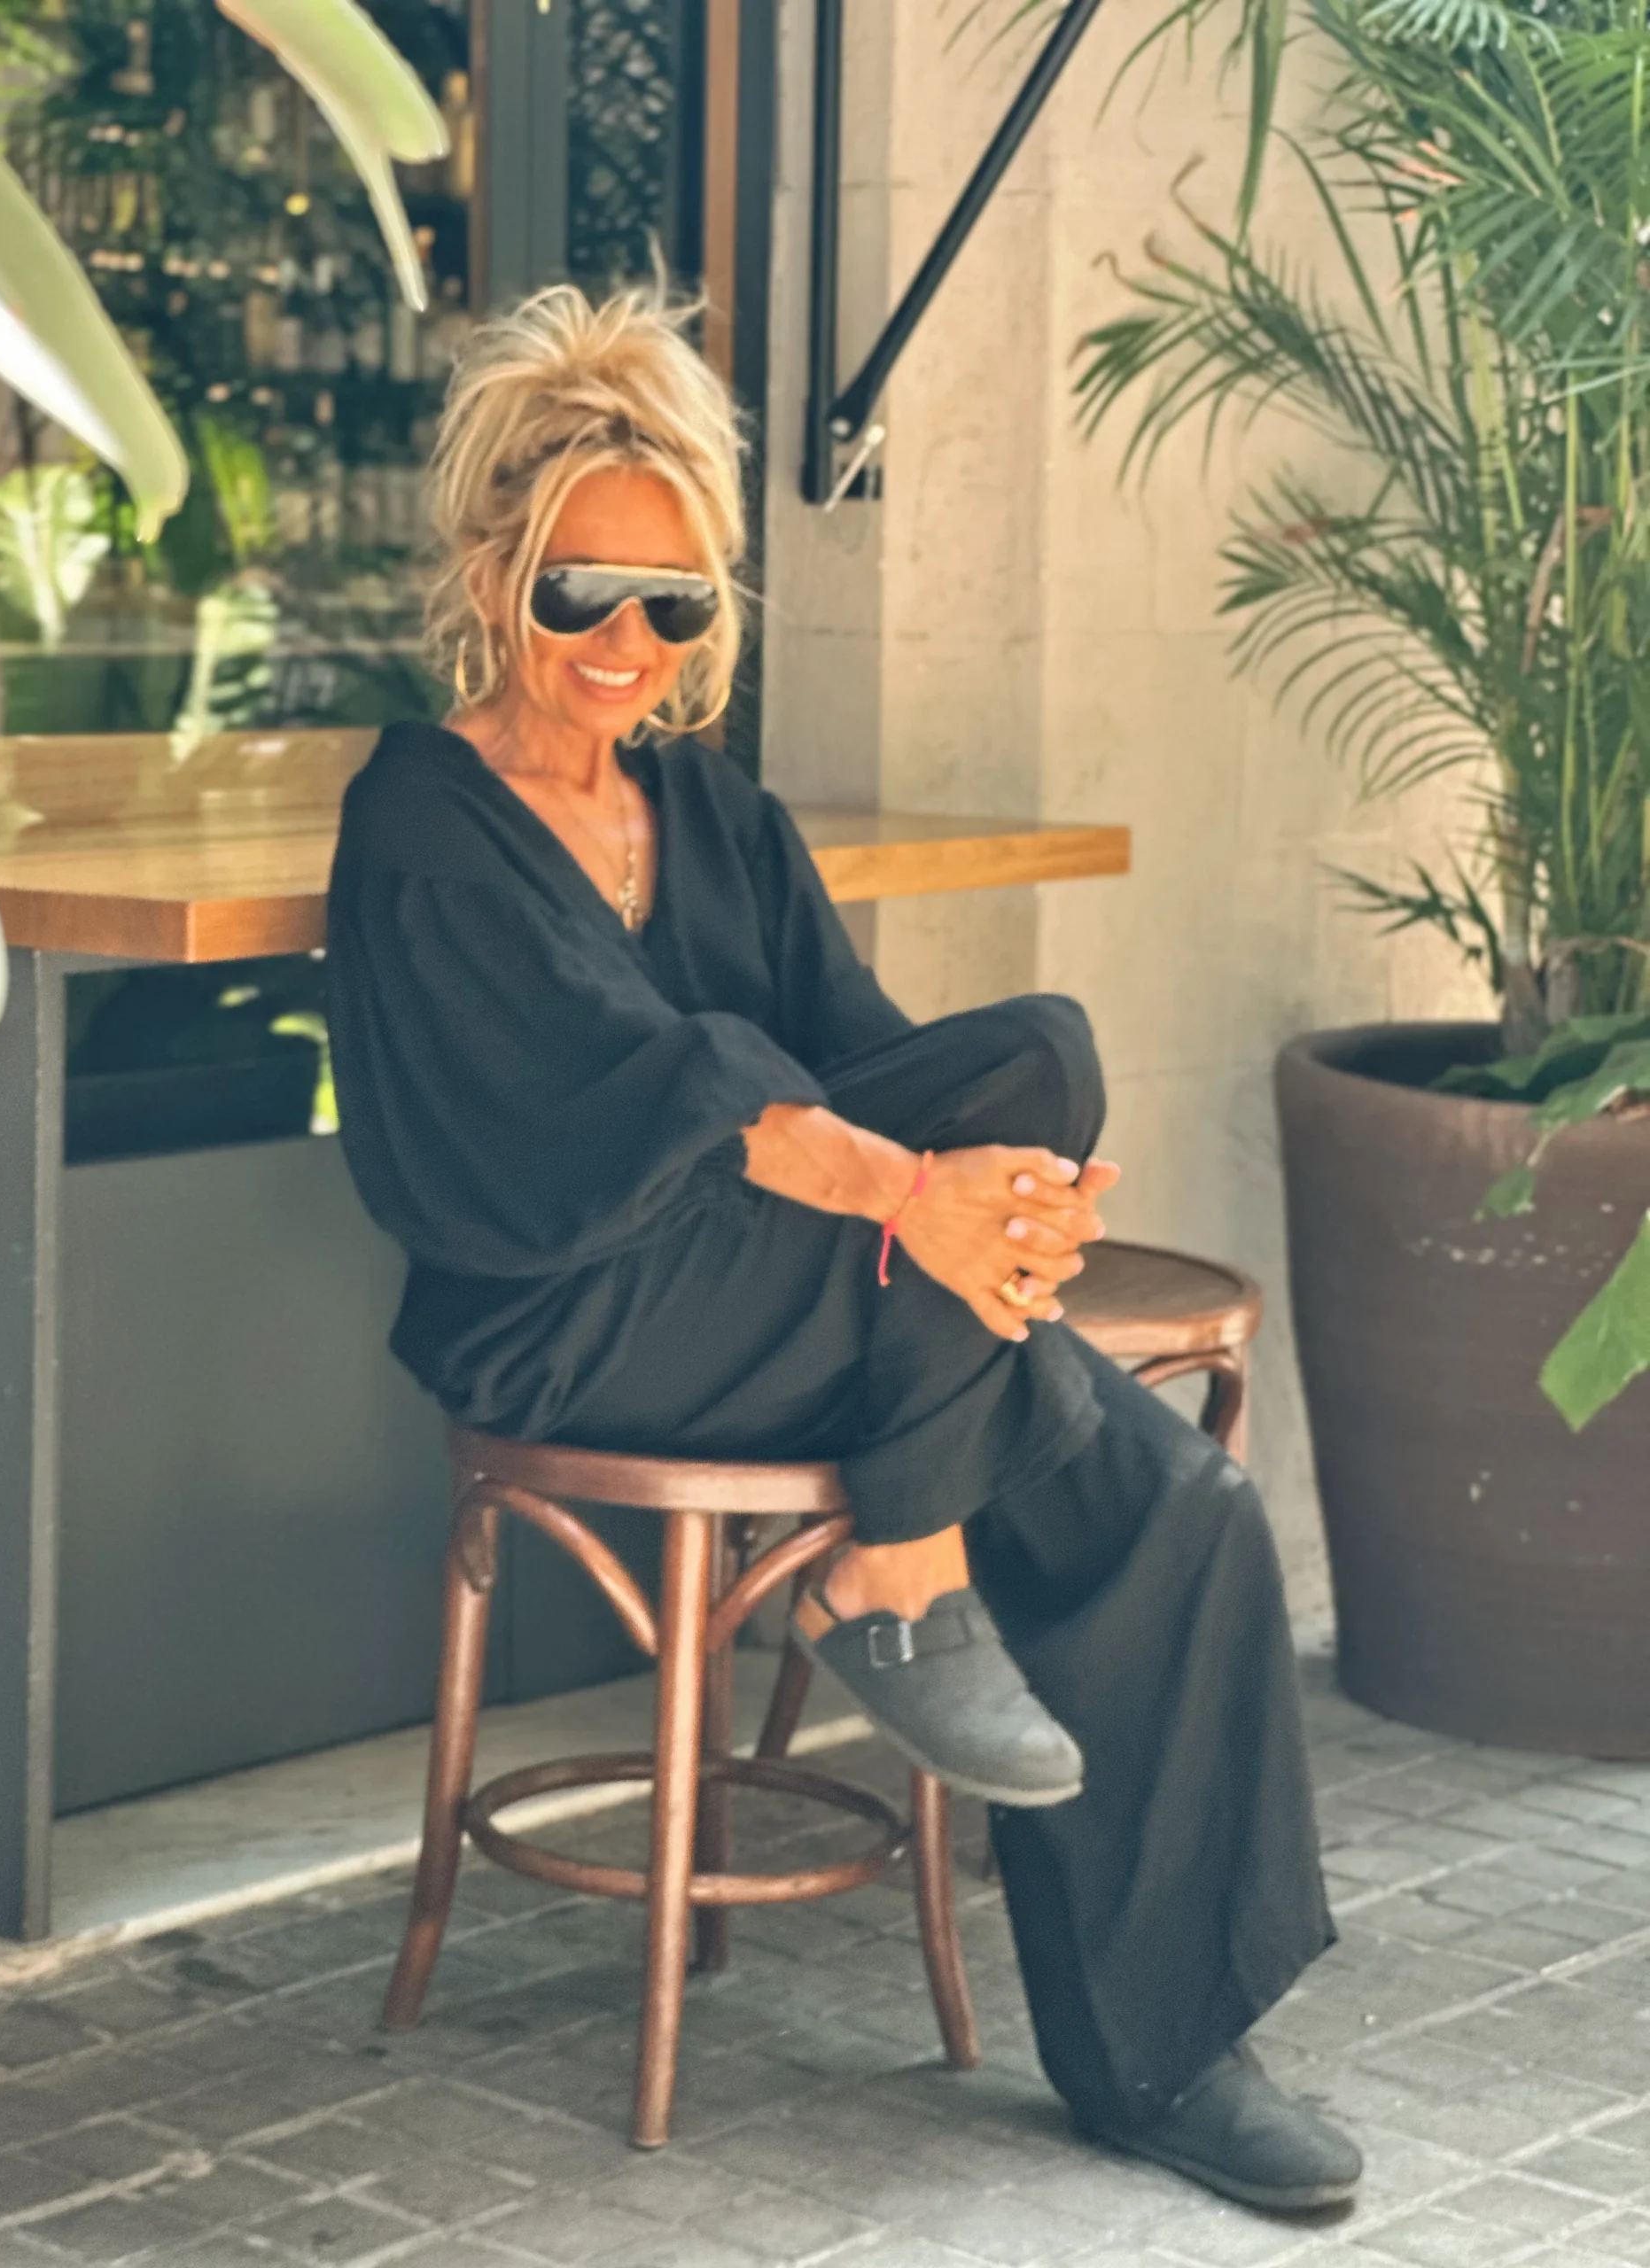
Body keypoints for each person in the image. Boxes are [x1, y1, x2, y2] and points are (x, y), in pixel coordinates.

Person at [325, 281, 1361, 2217]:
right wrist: (919, 1198)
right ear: (494, 573)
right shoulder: (424, 819)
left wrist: (1010, 1188)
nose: (624, 644)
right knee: (941, 1211)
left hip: (808, 1312)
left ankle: (1168, 2052)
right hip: (575, 1310)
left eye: (672, 604)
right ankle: (897, 1566)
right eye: (580, 591)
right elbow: (628, 1094)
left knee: (1175, 1485)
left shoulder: (712, 815)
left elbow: (882, 1067)